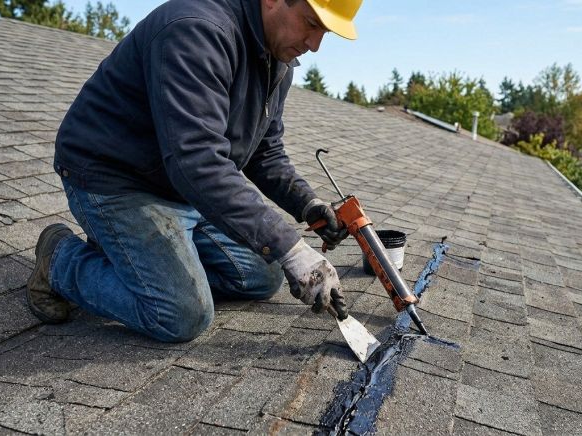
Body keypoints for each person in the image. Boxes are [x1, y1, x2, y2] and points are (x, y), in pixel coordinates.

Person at [26, 0, 363, 342]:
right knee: (181, 313)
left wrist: (307, 204)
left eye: (325, 32)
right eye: (311, 23)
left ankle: (132, 259)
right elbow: (197, 160)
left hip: (179, 184)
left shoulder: (277, 59)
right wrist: (291, 248)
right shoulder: (195, 30)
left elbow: (264, 149)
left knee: (265, 274)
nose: (315, 44)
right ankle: (60, 260)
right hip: (116, 178)